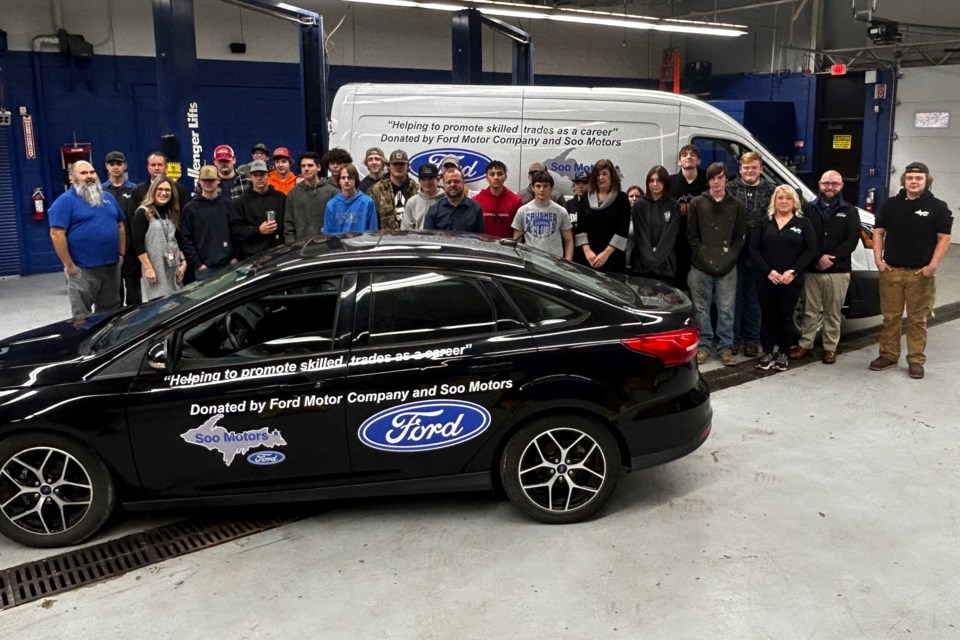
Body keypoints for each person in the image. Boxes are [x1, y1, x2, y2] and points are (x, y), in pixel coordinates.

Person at [869, 162, 953, 379]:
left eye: (918, 178)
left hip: (920, 275)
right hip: (892, 272)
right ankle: (888, 356)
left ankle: (915, 360)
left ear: (926, 181)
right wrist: (878, 260)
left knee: (917, 319)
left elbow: (944, 238)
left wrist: (932, 266)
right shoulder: (890, 205)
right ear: (904, 180)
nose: (913, 182)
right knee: (891, 317)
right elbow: (878, 232)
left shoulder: (938, 207)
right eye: (910, 178)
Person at [790, 170, 862, 364]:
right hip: (811, 269)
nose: (830, 187)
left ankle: (830, 348)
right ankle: (806, 344)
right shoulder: (807, 209)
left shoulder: (850, 211)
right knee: (809, 310)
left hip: (838, 271)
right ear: (819, 184)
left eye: (834, 184)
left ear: (841, 186)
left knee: (832, 312)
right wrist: (817, 257)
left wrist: (831, 258)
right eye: (826, 183)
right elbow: (802, 236)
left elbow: (852, 239)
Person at [749, 186, 817, 372]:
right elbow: (753, 249)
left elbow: (810, 250)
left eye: (788, 198)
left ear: (794, 201)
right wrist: (768, 271)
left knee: (785, 317)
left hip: (790, 280)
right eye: (780, 198)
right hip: (767, 279)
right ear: (774, 201)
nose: (784, 201)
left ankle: (783, 353)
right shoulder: (765, 223)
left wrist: (793, 272)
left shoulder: (803, 224)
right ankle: (768, 352)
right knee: (768, 316)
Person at [686, 162, 746, 366]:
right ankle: (703, 346)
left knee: (726, 309)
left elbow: (739, 237)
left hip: (728, 267)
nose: (716, 181)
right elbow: (691, 236)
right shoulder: (696, 203)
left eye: (720, 177)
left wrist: (730, 257)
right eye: (712, 177)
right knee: (701, 308)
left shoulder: (736, 205)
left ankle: (725, 348)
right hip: (700, 266)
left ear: (726, 179)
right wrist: (702, 255)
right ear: (708, 180)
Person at [48, 160, 126, 317]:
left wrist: (121, 255)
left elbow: (120, 226)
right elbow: (57, 234)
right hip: (83, 270)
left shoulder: (108, 198)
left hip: (111, 267)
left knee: (110, 314)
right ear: (72, 177)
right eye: (84, 173)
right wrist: (69, 265)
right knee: (81, 317)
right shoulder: (64, 201)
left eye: (92, 172)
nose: (89, 176)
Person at [726, 151, 776, 357]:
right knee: (734, 298)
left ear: (761, 169)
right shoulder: (729, 189)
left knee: (754, 299)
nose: (749, 171)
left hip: (759, 253)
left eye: (753, 167)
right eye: (746, 168)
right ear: (740, 169)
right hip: (734, 253)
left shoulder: (771, 190)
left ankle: (752, 340)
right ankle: (735, 340)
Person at [180, 165, 238, 279]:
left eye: (211, 180)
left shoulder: (229, 205)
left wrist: (235, 257)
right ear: (199, 182)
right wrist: (198, 264)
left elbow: (237, 232)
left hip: (229, 266)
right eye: (204, 180)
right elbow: (186, 238)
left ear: (218, 181)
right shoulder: (190, 208)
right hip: (204, 270)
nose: (208, 183)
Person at [132, 177, 186, 301]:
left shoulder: (171, 212)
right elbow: (138, 244)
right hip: (155, 268)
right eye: (160, 189)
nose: (163, 193)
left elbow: (176, 238)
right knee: (159, 305)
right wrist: (148, 268)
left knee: (177, 303)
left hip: (174, 267)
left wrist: (183, 263)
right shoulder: (143, 212)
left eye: (167, 190)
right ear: (153, 190)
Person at [573, 159, 630, 274]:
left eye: (604, 174)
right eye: (597, 174)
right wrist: (587, 251)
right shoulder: (585, 197)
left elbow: (623, 230)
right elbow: (580, 227)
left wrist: (605, 254)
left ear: (612, 176)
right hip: (588, 258)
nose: (600, 177)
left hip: (612, 258)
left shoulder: (622, 198)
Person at [631, 166, 680, 285]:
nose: (655, 184)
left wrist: (657, 258)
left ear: (665, 183)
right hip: (641, 265)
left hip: (665, 266)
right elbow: (640, 235)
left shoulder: (673, 205)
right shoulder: (640, 204)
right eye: (651, 181)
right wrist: (649, 259)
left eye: (659, 181)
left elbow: (670, 235)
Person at [668, 144, 708, 292]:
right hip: (675, 242)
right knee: (678, 285)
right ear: (679, 162)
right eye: (684, 155)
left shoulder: (708, 182)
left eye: (692, 155)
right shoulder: (669, 182)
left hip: (700, 242)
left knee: (699, 287)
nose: (688, 157)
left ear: (699, 161)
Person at [101, 151, 138, 305]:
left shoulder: (135, 189)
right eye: (112, 164)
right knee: (114, 294)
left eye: (119, 164)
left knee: (134, 294)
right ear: (107, 167)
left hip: (131, 251)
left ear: (125, 166)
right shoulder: (100, 191)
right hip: (110, 250)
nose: (115, 167)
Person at [512, 170, 573, 259]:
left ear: (551, 188)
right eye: (538, 186)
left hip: (555, 263)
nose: (541, 189)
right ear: (532, 187)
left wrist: (568, 263)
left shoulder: (561, 211)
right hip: (530, 262)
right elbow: (516, 241)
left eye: (545, 186)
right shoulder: (522, 211)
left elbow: (569, 240)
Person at [231, 160, 286, 258]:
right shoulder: (241, 202)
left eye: (262, 174)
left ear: (268, 175)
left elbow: (287, 225)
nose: (259, 178)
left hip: (278, 253)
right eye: (255, 175)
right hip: (252, 256)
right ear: (250, 177)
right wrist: (258, 230)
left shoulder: (280, 198)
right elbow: (236, 230)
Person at [284, 151, 338, 243]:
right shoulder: (293, 194)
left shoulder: (332, 192)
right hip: (301, 249)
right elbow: (289, 224)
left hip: (328, 247)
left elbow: (338, 222)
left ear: (319, 167)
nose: (306, 169)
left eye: (310, 165)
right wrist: (292, 246)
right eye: (303, 166)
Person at [370, 149, 419, 230]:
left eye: (402, 164)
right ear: (389, 166)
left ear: (408, 166)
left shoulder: (417, 189)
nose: (398, 166)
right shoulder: (376, 190)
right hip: (386, 240)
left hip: (411, 239)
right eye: (395, 164)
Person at [424, 167, 484, 232]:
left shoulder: (475, 208)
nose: (452, 185)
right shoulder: (434, 210)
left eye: (456, 181)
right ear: (443, 184)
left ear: (463, 183)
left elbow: (480, 238)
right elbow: (428, 238)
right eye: (448, 182)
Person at [322, 164, 379, 234]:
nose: (346, 181)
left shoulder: (367, 202)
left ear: (356, 180)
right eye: (343, 178)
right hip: (339, 244)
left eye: (350, 177)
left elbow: (373, 231)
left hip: (362, 244)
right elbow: (327, 233)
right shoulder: (331, 205)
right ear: (339, 181)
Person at [473, 160, 523, 237]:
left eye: (499, 174)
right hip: (483, 247)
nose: (496, 177)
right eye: (492, 174)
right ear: (486, 177)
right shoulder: (476, 201)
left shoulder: (516, 201)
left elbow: (519, 230)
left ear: (505, 176)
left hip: (506, 248)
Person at [402, 163, 445, 230]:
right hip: (417, 239)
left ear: (438, 179)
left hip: (441, 239)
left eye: (430, 178)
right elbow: (406, 229)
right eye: (424, 179)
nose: (427, 182)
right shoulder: (412, 202)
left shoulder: (446, 199)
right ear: (419, 181)